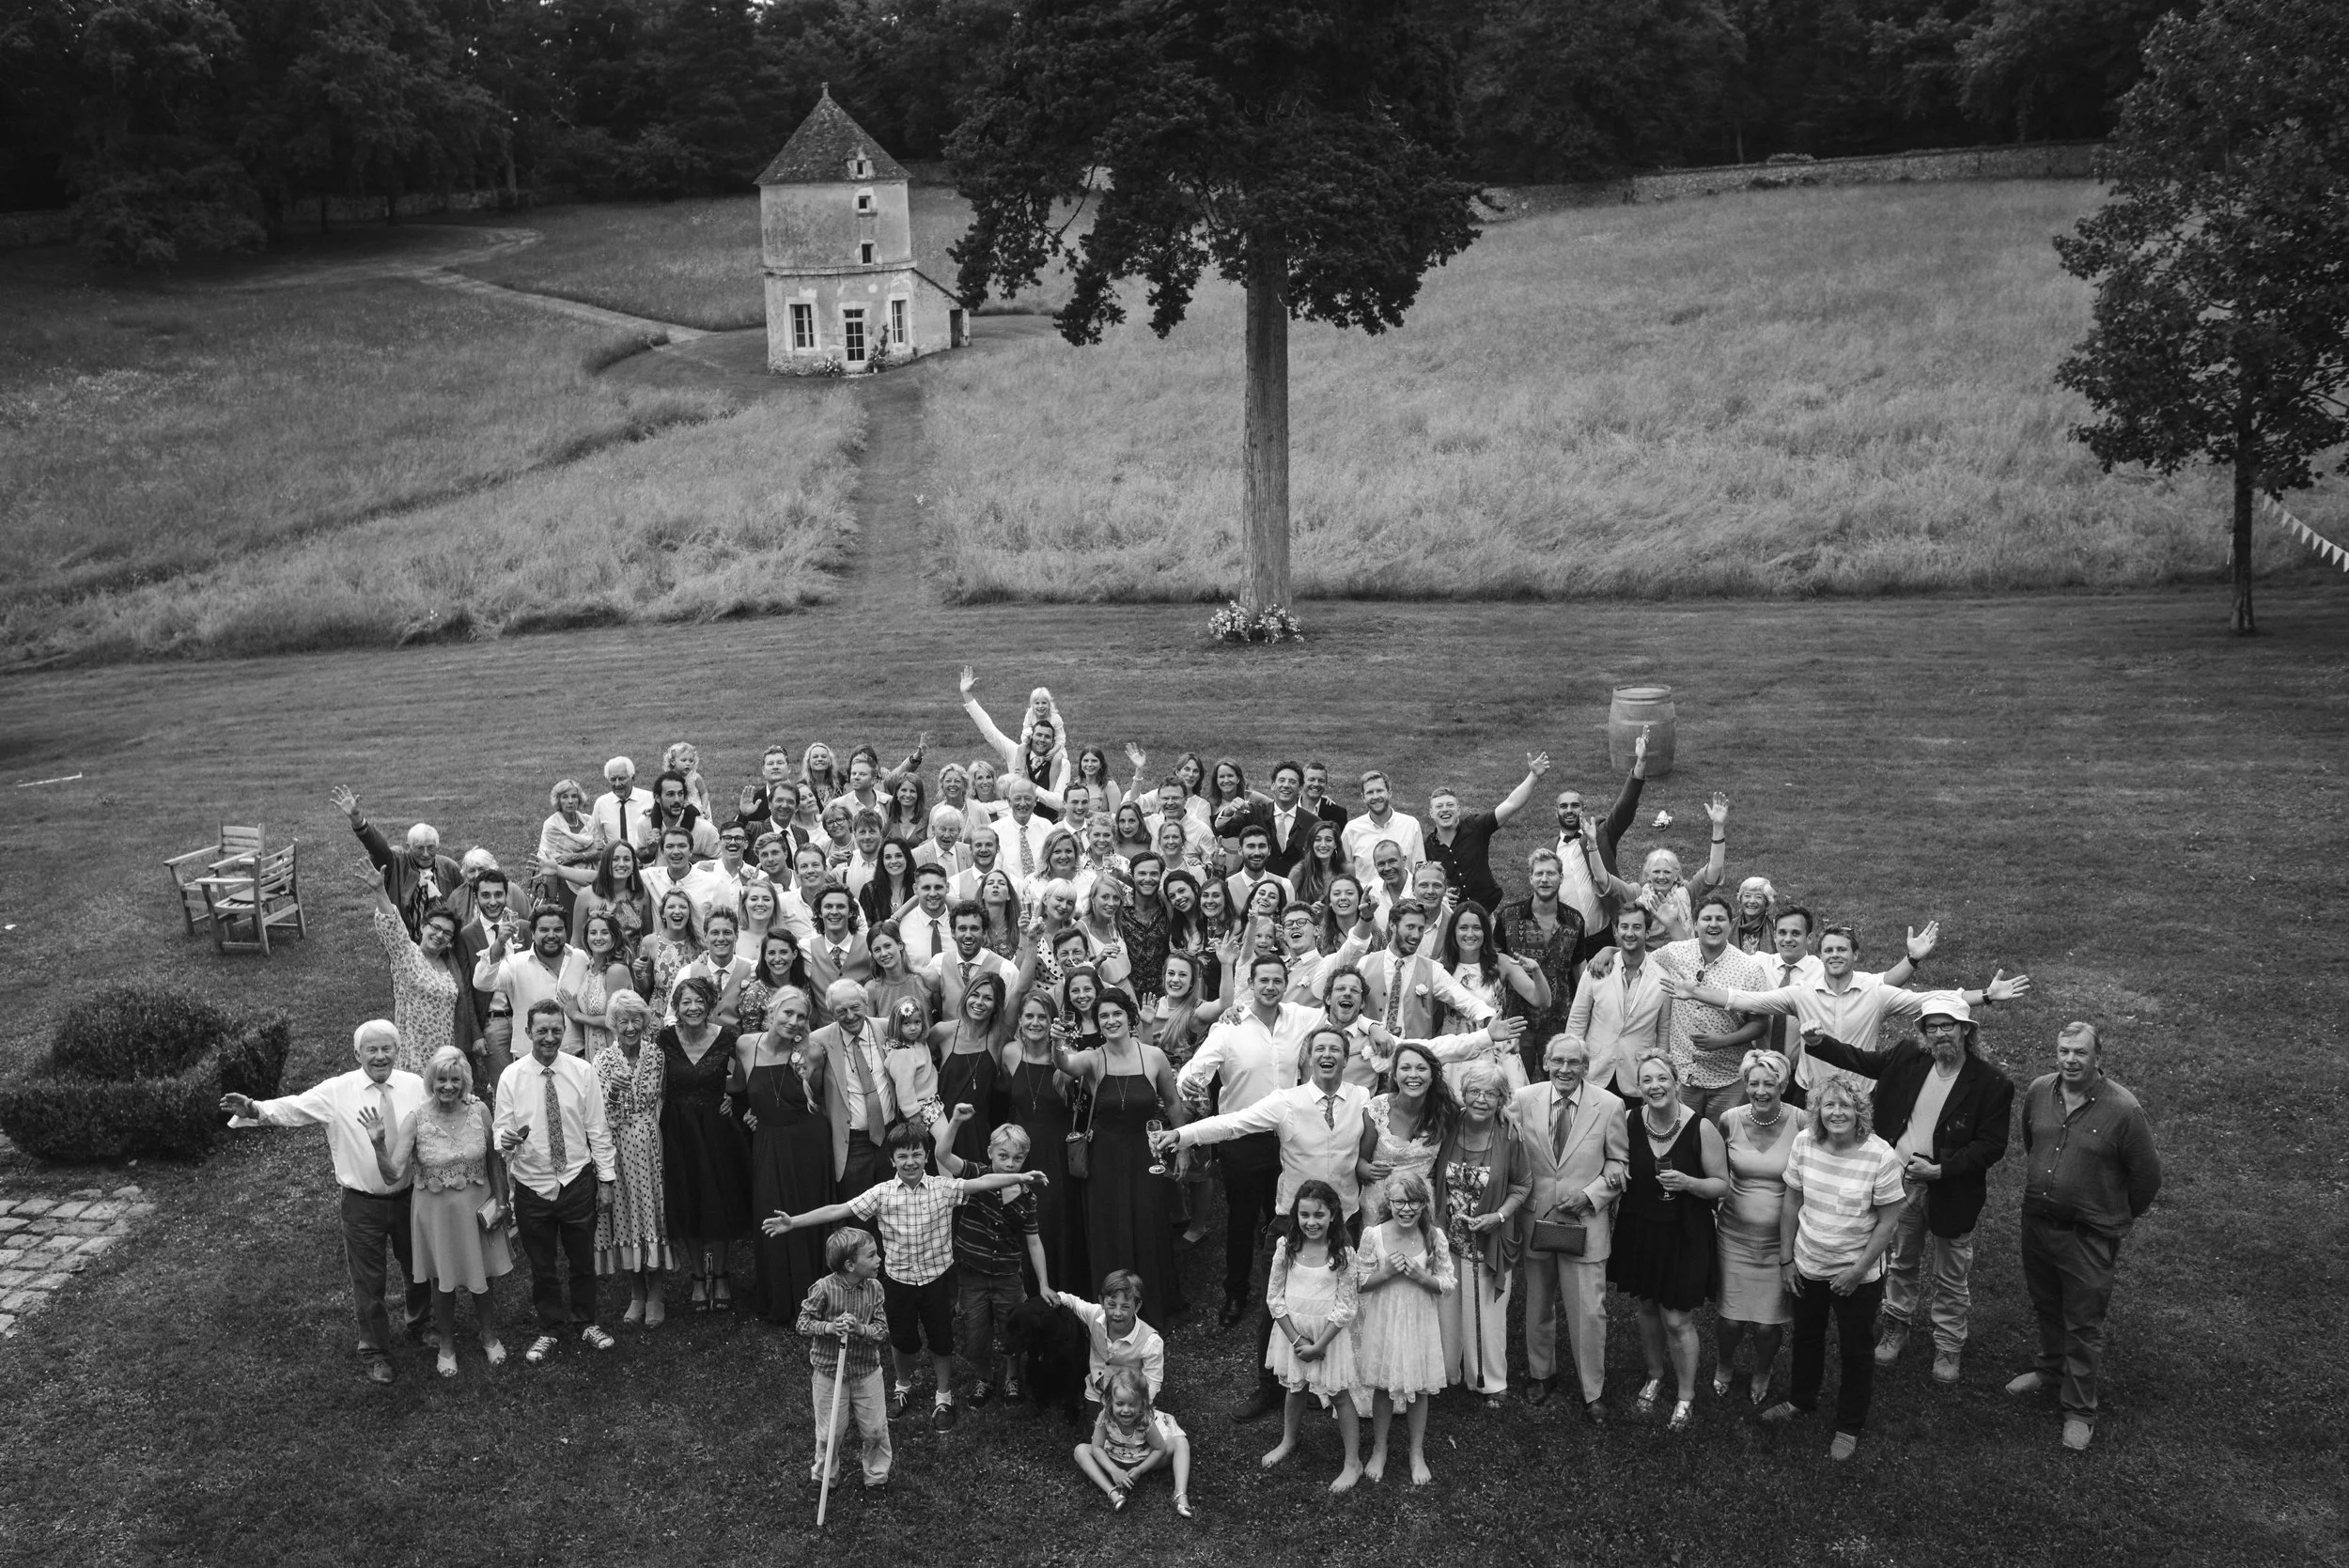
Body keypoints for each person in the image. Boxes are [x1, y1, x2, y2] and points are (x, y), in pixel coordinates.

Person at [762, 1119, 1049, 1431]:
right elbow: (839, 1209)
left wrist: (1020, 1177)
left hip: (937, 1281)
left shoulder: (943, 1188)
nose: (910, 1162)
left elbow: (981, 1183)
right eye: (902, 1156)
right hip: (898, 1281)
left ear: (926, 1156)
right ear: (892, 1159)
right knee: (901, 1340)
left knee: (942, 1341)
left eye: (916, 1154)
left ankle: (944, 1396)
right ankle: (902, 1386)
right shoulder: (881, 1193)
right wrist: (794, 1222)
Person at [1159, 1024, 1371, 1421]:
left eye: (1335, 1049)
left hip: (1343, 1222)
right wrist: (1183, 1135)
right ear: (1307, 1058)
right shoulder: (1286, 1101)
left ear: (1346, 1058)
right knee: (1277, 1307)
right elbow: (1233, 1123)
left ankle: (1324, 1383)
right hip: (1292, 1222)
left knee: (1337, 1304)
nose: (1327, 1055)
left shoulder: (1361, 1097)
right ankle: (1268, 1386)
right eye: (1320, 1049)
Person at [1806, 992, 2015, 1385]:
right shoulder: (1907, 1057)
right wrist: (1819, 1043)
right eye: (1931, 1028)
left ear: (1966, 1031)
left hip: (1951, 1189)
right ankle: (1896, 1326)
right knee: (1901, 1261)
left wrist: (1941, 1170)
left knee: (1951, 1271)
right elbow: (1861, 1060)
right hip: (1901, 1184)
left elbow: (1991, 1145)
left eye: (1947, 1026)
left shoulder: (1991, 1083)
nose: (1939, 1035)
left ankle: (1948, 1344)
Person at [220, 1020, 431, 1384]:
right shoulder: (337, 1091)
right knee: (368, 1280)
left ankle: (422, 1324)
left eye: (387, 1048)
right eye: (372, 1050)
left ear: (398, 1051)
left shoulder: (416, 1086)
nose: (380, 1056)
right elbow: (295, 1108)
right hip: (362, 1205)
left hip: (411, 1198)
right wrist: (254, 1109)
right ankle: (375, 1351)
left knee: (419, 1267)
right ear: (357, 1054)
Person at [2008, 1021, 2163, 1452]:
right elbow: (2032, 1142)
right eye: (2064, 1051)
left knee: (2082, 1323)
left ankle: (2079, 1410)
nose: (2070, 1060)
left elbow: (2147, 1178)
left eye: (2080, 1053)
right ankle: (2049, 1370)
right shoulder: (2039, 1091)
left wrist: (2109, 1213)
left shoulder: (2124, 1110)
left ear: (2098, 1057)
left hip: (2089, 1236)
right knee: (2047, 1306)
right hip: (2038, 1224)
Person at [1762, 1074, 1907, 1460]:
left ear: (1860, 1111)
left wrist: (1857, 1272)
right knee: (1806, 1336)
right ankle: (1801, 1400)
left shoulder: (1880, 1155)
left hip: (1857, 1273)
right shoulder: (1804, 1143)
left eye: (1845, 1105)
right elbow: (1791, 1202)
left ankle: (1849, 1425)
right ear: (1817, 1111)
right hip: (1808, 1263)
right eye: (1829, 1105)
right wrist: (1787, 1259)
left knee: (1856, 1349)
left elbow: (1888, 1222)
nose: (1837, 1113)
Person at [1174, 951, 1321, 1327]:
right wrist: (1188, 1082)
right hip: (1241, 1140)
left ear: (1285, 984)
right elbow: (1196, 1068)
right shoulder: (1229, 1027)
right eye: (1263, 980)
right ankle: (1236, 1293)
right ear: (1251, 984)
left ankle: (1289, 1290)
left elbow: (1341, 1014)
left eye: (1277, 980)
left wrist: (1375, 1029)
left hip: (1288, 1138)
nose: (1270, 987)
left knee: (1286, 1217)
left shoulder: (1301, 1018)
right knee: (1241, 1221)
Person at [364, 1044, 513, 1377]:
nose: (448, 1086)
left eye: (455, 1080)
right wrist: (378, 1144)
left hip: (477, 1208)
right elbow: (392, 1174)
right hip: (436, 1214)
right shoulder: (416, 1120)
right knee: (442, 1281)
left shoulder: (480, 1111)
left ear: (465, 1082)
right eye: (442, 1079)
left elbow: (494, 1161)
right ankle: (446, 1345)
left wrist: (503, 1202)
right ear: (431, 1081)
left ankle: (489, 1336)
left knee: (483, 1276)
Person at [492, 1001, 620, 1364]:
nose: (549, 1037)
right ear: (528, 1032)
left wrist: (606, 1180)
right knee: (542, 1265)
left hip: (576, 1180)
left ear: (564, 1032)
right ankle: (550, 1327)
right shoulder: (511, 1077)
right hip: (532, 1185)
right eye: (542, 1031)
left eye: (556, 1030)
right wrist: (505, 1140)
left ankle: (586, 1321)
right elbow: (500, 1130)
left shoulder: (582, 1072)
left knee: (582, 1260)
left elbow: (598, 1129)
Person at [1510, 1035, 1628, 1423]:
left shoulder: (1609, 1105)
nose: (1565, 1069)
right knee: (1538, 1303)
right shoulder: (1524, 1099)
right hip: (1537, 1220)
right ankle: (1541, 1374)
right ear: (1545, 1062)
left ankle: (1592, 1390)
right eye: (1557, 1061)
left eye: (1573, 1062)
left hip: (1584, 1223)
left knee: (1588, 1312)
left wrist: (1591, 1196)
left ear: (1585, 1067)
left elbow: (1618, 1164)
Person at [1608, 1052, 1729, 1431]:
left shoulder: (1701, 1128)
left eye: (1662, 1078)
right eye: (1646, 1080)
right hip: (1640, 1226)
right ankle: (1655, 1375)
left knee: (1676, 1318)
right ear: (1638, 1087)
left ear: (1677, 1082)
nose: (1655, 1086)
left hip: (1684, 1231)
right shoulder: (1629, 1120)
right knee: (1646, 1306)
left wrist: (1689, 1183)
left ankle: (1686, 1395)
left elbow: (1721, 1185)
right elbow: (1614, 1160)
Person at [1055, 988, 1187, 1327]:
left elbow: (1173, 1103)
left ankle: (1150, 1303)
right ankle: (1112, 1307)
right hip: (1105, 1159)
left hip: (1146, 1156)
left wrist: (1184, 1145)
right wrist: (1058, 1043)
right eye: (1104, 1016)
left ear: (1130, 1017)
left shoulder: (1154, 1056)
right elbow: (1065, 1064)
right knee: (1109, 1228)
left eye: (1117, 1014)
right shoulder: (1093, 1058)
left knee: (1148, 1223)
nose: (1111, 1021)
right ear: (1097, 1023)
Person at [932, 1110, 1056, 1407]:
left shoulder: (1027, 1196)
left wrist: (1043, 1284)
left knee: (1013, 1330)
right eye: (1003, 1156)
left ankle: (1012, 1378)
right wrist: (956, 1122)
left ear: (1025, 1158)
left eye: (1017, 1158)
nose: (1010, 1163)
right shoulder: (977, 1175)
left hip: (1007, 1276)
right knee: (975, 1335)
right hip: (972, 1274)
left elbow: (1034, 1240)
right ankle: (984, 1378)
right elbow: (942, 1155)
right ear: (990, 1153)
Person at [1434, 1060, 1530, 1406]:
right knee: (1446, 1309)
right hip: (1448, 1237)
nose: (1481, 1100)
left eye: (1491, 1094)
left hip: (1488, 1237)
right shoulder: (1449, 1124)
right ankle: (1447, 1374)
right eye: (1474, 1091)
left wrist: (1499, 1216)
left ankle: (1490, 1382)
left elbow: (1522, 1184)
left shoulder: (1510, 1134)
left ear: (1502, 1100)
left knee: (1488, 1316)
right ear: (1463, 1094)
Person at [1349, 1169, 1454, 1486]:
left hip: (1419, 1320)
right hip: (1385, 1318)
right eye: (1399, 1202)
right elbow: (1358, 1282)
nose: (1406, 1209)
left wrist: (1422, 1277)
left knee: (1418, 1388)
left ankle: (1416, 1452)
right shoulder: (1374, 1235)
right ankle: (1379, 1448)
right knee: (1383, 1386)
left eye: (1413, 1202)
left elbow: (1448, 1283)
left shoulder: (1434, 1237)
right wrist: (1386, 1273)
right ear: (1389, 1203)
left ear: (1423, 1204)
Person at [1260, 1180, 1363, 1493]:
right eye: (1304, 1215)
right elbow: (1274, 1298)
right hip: (1294, 1335)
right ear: (1296, 1215)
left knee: (1339, 1395)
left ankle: (1353, 1462)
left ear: (1333, 1215)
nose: (1311, 1222)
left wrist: (1319, 1345)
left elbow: (1347, 1305)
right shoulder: (1287, 1247)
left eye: (1319, 1215)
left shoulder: (1343, 1253)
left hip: (1328, 1337)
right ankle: (1289, 1439)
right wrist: (1297, 1340)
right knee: (1295, 1387)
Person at [739, 986, 833, 1324]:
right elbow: (741, 1090)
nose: (794, 1021)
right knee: (771, 1215)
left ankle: (814, 1299)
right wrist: (749, 1113)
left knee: (807, 1217)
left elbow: (819, 1098)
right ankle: (779, 1298)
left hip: (808, 1145)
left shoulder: (813, 1053)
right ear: (771, 1012)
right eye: (788, 1013)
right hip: (768, 1144)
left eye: (801, 1016)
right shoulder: (745, 1045)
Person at [657, 975, 751, 1312]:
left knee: (721, 1199)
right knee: (687, 1200)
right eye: (686, 1002)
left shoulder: (728, 1037)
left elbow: (741, 1081)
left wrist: (728, 1097)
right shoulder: (665, 1039)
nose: (693, 1008)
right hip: (678, 1129)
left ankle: (721, 1273)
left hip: (717, 1128)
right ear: (676, 1007)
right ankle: (698, 1276)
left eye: (700, 1001)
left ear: (711, 1005)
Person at [1713, 1049, 1799, 1405]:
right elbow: (1714, 1168)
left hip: (1781, 1241)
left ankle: (1763, 1369)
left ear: (1783, 1085)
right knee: (1731, 1321)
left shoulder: (1802, 1122)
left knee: (1767, 1325)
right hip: (1733, 1236)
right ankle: (1725, 1363)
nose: (1761, 1091)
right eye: (1753, 1083)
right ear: (1745, 1085)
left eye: (1769, 1084)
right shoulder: (1729, 1120)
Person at [810, 979, 934, 1204]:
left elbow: (921, 1045)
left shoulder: (889, 1028)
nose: (850, 1016)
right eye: (841, 1011)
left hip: (892, 1134)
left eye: (855, 1007)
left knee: (897, 1204)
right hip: (852, 1142)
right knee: (858, 1208)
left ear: (866, 1004)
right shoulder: (819, 1040)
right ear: (831, 1013)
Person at [591, 991, 673, 1328]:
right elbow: (601, 1115)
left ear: (644, 1022)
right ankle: (637, 1294)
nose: (630, 1027)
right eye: (622, 1021)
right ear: (613, 1024)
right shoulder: (602, 1061)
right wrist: (613, 1092)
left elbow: (664, 1099)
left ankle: (656, 1295)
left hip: (651, 1145)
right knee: (625, 1215)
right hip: (618, 1147)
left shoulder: (657, 1056)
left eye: (636, 1019)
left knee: (653, 1214)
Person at [1650, 892, 1770, 1122]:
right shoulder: (1675, 952)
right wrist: (1609, 951)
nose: (1713, 924)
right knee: (1683, 1136)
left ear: (1730, 924)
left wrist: (1722, 1041)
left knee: (1723, 1138)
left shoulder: (1749, 969)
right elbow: (1642, 960)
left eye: (1720, 919)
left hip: (1728, 1079)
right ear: (1695, 925)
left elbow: (1760, 1024)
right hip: (1683, 1075)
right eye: (1706, 919)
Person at [1002, 992, 1089, 1296]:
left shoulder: (1067, 1057)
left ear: (1053, 1022)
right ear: (1020, 1020)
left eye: (1042, 1017)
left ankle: (1062, 1288)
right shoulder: (1010, 1053)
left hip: (1056, 1151)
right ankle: (1025, 1290)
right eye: (1029, 1016)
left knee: (1052, 1218)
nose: (1035, 1023)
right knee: (1022, 1217)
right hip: (1021, 1151)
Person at [799, 1228, 894, 1490]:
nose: (879, 1259)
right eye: (872, 1255)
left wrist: (861, 1329)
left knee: (875, 1430)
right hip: (830, 1374)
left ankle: (876, 1477)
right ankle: (824, 1478)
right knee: (829, 1433)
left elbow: (881, 1331)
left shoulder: (875, 1288)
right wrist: (829, 1327)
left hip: (866, 1371)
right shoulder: (823, 1288)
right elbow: (803, 1323)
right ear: (850, 1265)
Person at [1550, 732, 1651, 965]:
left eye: (1575, 805)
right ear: (1556, 812)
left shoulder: (1601, 835)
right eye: (1564, 806)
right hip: (1566, 940)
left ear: (1583, 810)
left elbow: (1625, 807)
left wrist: (1641, 762)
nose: (1569, 810)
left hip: (1602, 937)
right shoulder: (1548, 850)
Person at [361, 875, 465, 1079]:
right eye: (435, 927)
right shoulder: (407, 955)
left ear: (451, 941)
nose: (439, 935)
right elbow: (393, 928)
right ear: (423, 927)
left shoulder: (451, 967)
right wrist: (380, 890)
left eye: (447, 933)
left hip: (444, 1056)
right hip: (413, 1055)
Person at [1563, 906, 1670, 1097]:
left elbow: (1663, 1032)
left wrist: (1659, 1072)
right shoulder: (1597, 968)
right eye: (1624, 927)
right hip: (1595, 1070)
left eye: (1637, 927)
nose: (1630, 933)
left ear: (1647, 932)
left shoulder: (1662, 978)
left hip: (1637, 1075)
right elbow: (1577, 1020)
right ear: (1616, 931)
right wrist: (1571, 1061)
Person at [334, 786, 462, 940]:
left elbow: (463, 904)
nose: (426, 854)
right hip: (406, 941)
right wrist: (357, 820)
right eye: (419, 848)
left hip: (442, 942)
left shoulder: (449, 868)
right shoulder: (396, 862)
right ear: (409, 847)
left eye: (431, 848)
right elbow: (377, 847)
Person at [1422, 755, 1548, 912]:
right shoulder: (1427, 848)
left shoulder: (1475, 827)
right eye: (1439, 806)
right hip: (1452, 917)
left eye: (1450, 805)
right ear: (1431, 813)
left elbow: (1511, 804)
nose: (1445, 809)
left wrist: (1533, 775)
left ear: (1458, 810)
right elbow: (1422, 882)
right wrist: (1442, 893)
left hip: (1486, 913)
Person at [1358, 1041, 1455, 1222]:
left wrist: (1503, 1112)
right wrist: (1368, 1170)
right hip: (1379, 1204)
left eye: (1421, 1068)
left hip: (1421, 1205)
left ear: (1432, 1077)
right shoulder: (1378, 1109)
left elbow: (1476, 1110)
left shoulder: (1444, 1109)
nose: (1413, 1074)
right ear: (1394, 1076)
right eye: (1405, 1068)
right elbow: (1359, 1161)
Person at [1078, 1366, 1192, 1517]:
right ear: (1110, 1402)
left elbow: (1159, 1448)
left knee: (1181, 1442)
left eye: (1132, 1404)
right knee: (1080, 1450)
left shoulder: (1144, 1420)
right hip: (1114, 1459)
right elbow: (1097, 1447)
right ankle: (1113, 1493)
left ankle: (1180, 1494)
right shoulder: (1105, 1417)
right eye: (1120, 1404)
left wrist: (1140, 1469)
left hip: (1142, 1460)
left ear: (1142, 1404)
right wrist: (1114, 1470)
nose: (1126, 1410)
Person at [474, 905, 585, 1057]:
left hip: (576, 1057)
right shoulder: (516, 964)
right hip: (529, 1060)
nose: (551, 935)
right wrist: (498, 944)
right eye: (544, 930)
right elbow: (482, 983)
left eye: (558, 930)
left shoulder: (580, 959)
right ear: (532, 934)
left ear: (566, 932)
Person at [1340, 770, 1424, 876]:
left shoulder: (1411, 825)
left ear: (1389, 793)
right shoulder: (1351, 830)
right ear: (1363, 798)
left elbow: (1420, 870)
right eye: (1370, 792)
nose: (1375, 796)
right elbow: (1344, 873)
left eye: (1379, 791)